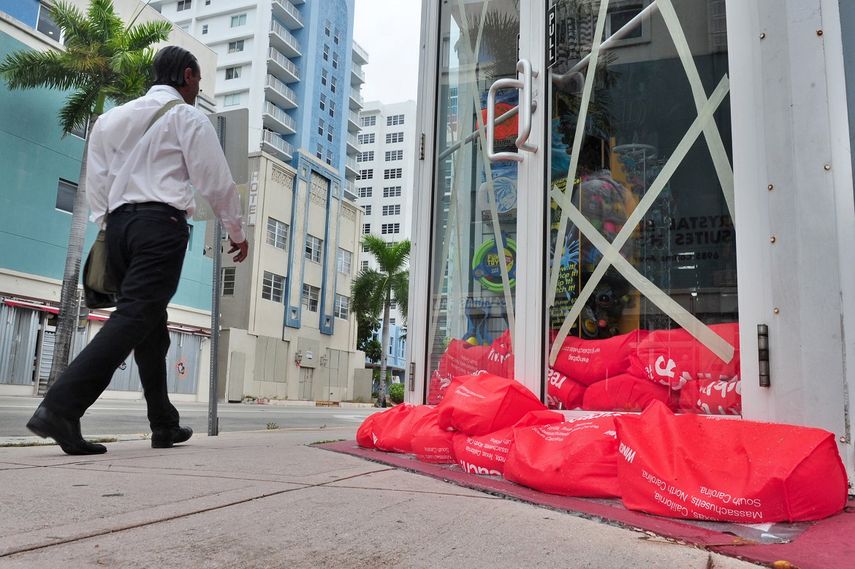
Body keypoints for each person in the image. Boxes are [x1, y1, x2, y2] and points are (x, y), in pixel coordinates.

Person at [26, 46, 249, 455]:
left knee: (152, 328)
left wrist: (108, 225)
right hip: (159, 225)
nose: (197, 89)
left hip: (119, 225)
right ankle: (60, 407)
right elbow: (215, 181)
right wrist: (236, 231)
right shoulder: (186, 117)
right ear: (186, 75)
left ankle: (164, 424)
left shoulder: (111, 118)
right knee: (136, 316)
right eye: (198, 80)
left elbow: (96, 178)